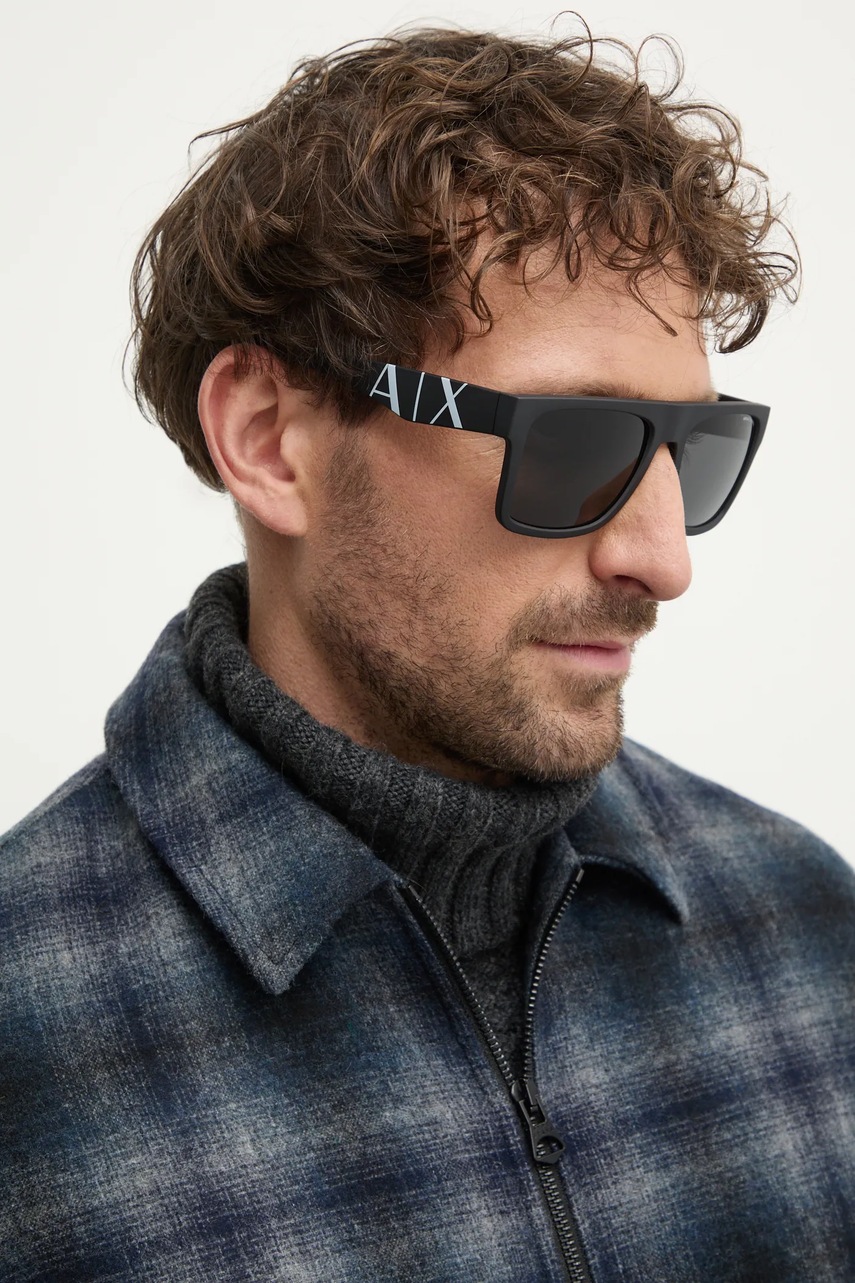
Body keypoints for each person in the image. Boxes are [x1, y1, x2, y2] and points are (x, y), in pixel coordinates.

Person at [1, 22, 852, 1283]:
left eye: (691, 449)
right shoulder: (25, 1035)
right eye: (572, 443)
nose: (664, 560)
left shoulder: (803, 922)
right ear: (269, 436)